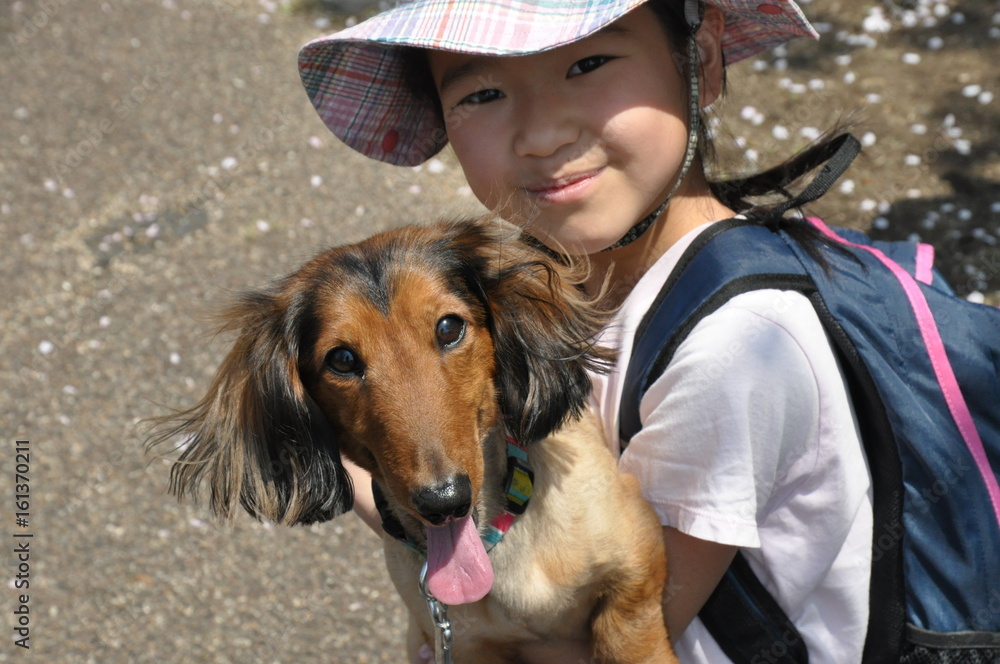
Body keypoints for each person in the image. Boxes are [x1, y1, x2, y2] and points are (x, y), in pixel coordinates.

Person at [297, 1, 873, 662]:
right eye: (483, 92)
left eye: (589, 63)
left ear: (702, 60)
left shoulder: (737, 350)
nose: (542, 134)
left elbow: (597, 637)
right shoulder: (539, 286)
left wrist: (376, 487)